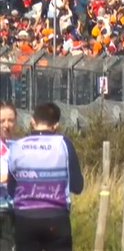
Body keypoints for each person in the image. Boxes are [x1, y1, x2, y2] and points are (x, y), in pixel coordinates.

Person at [6, 103, 84, 251]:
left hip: (25, 219)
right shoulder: (64, 144)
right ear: (56, 126)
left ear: (32, 122)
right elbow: (77, 186)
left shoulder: (17, 146)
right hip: (56, 218)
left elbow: (11, 189)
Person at [0, 102, 17, 251]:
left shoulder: (17, 147)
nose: (6, 125)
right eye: (2, 121)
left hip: (15, 210)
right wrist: (8, 177)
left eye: (10, 120)